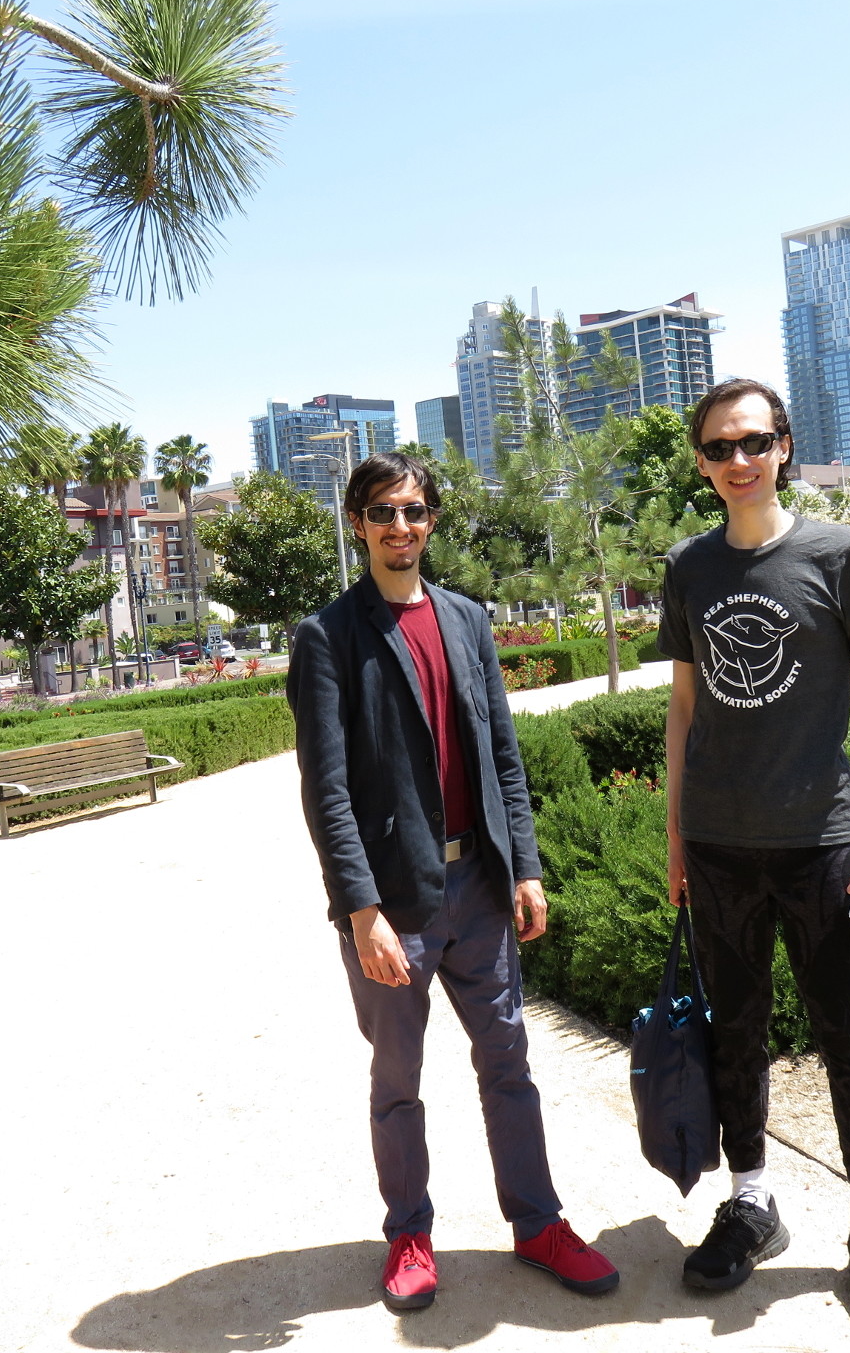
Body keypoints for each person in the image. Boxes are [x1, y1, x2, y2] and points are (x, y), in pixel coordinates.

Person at [287, 450, 620, 1313]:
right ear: (357, 523)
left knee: (509, 1062)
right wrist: (361, 912)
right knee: (398, 1079)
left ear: (431, 520)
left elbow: (502, 754)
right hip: (394, 902)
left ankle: (538, 1223)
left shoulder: (467, 619)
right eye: (382, 512)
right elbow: (326, 791)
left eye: (413, 510)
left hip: (480, 886)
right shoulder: (328, 636)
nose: (400, 526)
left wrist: (526, 867)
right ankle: (409, 1232)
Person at [656, 378, 850, 1334]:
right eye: (720, 447)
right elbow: (684, 706)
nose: (739, 461)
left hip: (823, 845)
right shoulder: (689, 568)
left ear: (784, 447)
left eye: (754, 442)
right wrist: (676, 835)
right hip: (719, 846)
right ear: (701, 463)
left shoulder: (843, 555)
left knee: (848, 1034)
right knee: (736, 1030)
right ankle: (752, 1201)